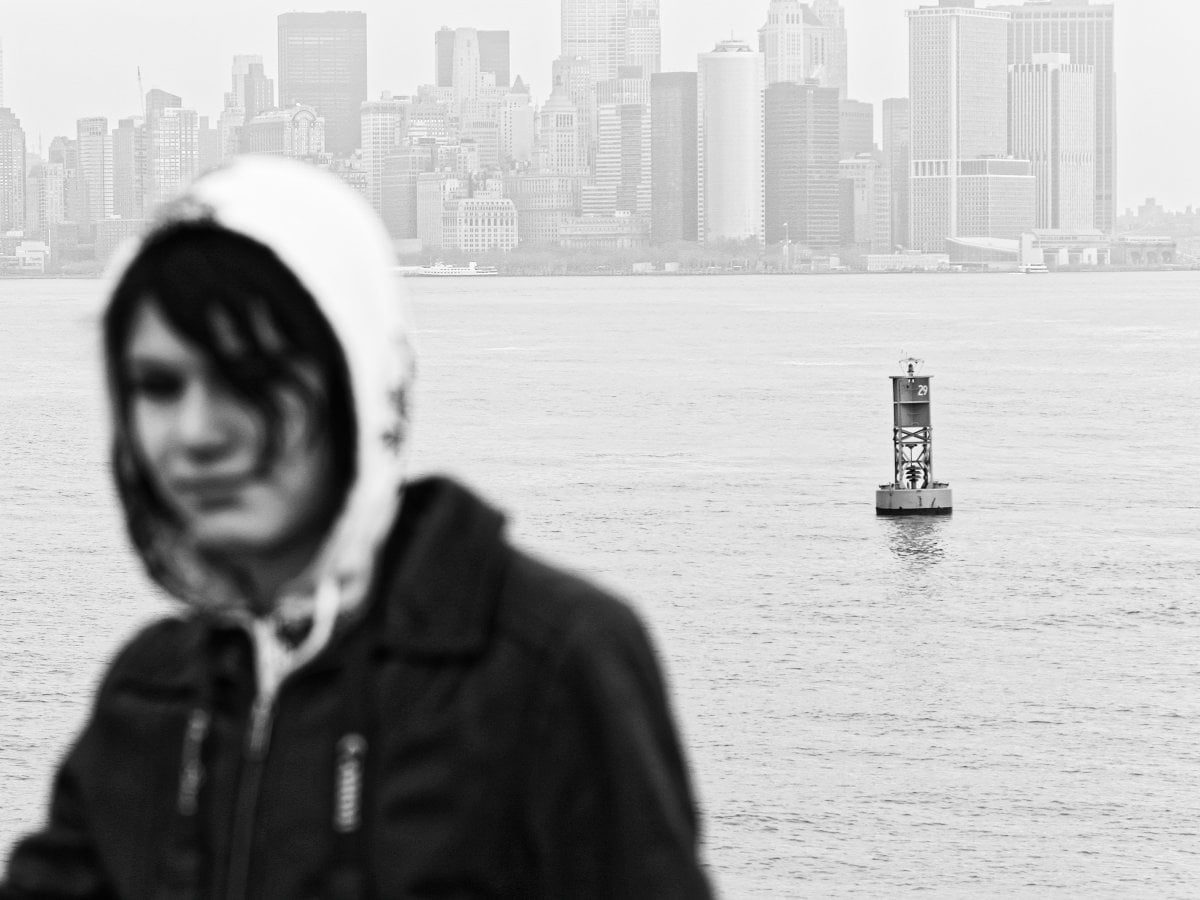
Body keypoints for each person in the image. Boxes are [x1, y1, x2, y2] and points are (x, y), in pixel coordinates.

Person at [1, 157, 713, 899]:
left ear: (364, 383)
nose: (194, 433)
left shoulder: (548, 666)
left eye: (249, 376)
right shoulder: (154, 693)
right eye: (156, 385)